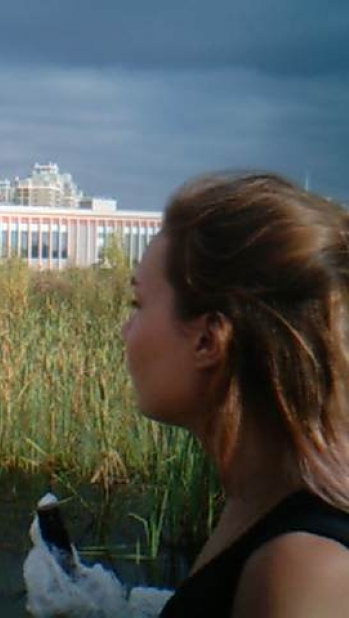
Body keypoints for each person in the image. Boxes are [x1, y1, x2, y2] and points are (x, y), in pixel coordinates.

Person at [121, 172, 349, 617]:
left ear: (208, 340)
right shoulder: (257, 496)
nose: (127, 330)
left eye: (138, 304)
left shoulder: (299, 572)